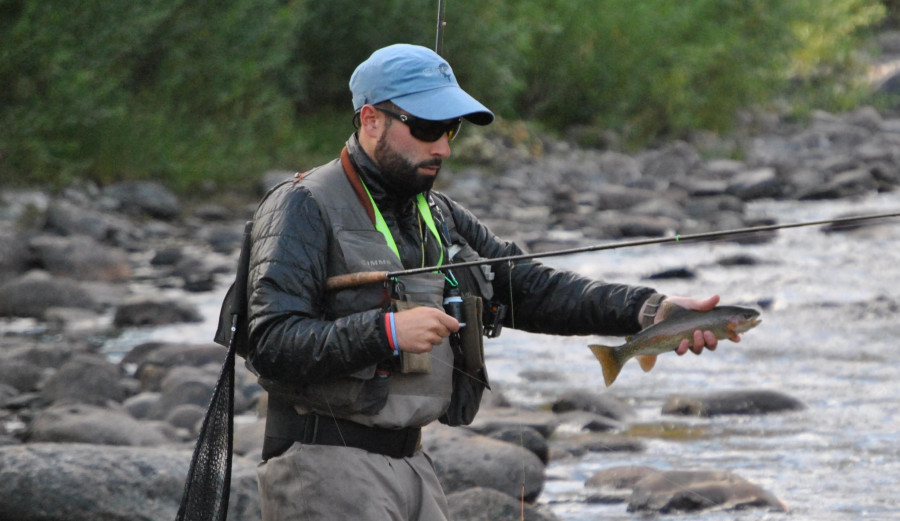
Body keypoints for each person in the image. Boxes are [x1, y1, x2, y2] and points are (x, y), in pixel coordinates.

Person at [246, 43, 728, 521]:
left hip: (412, 464)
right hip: (324, 469)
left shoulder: (437, 213)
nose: (444, 147)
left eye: (450, 129)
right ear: (371, 121)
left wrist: (649, 311)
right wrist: (386, 332)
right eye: (428, 127)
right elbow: (269, 342)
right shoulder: (301, 206)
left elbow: (529, 289)